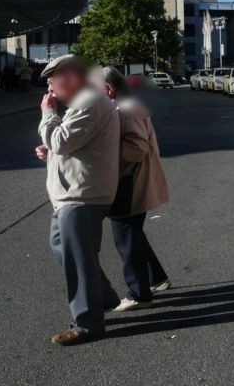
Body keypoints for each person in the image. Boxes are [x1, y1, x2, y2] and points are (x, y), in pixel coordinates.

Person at [35, 54, 120, 346]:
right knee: (63, 249)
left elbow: (61, 140)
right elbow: (64, 143)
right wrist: (50, 148)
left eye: (51, 81)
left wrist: (48, 115)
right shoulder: (82, 103)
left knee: (77, 259)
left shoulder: (90, 102)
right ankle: (104, 296)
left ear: (70, 77)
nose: (49, 90)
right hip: (69, 196)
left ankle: (86, 323)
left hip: (82, 195)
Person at [101, 67, 170, 312]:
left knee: (126, 238)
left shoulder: (123, 109)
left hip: (129, 182)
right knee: (133, 234)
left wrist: (102, 154)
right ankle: (156, 278)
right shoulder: (127, 105)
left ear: (109, 88)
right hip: (135, 180)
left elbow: (135, 148)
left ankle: (138, 294)